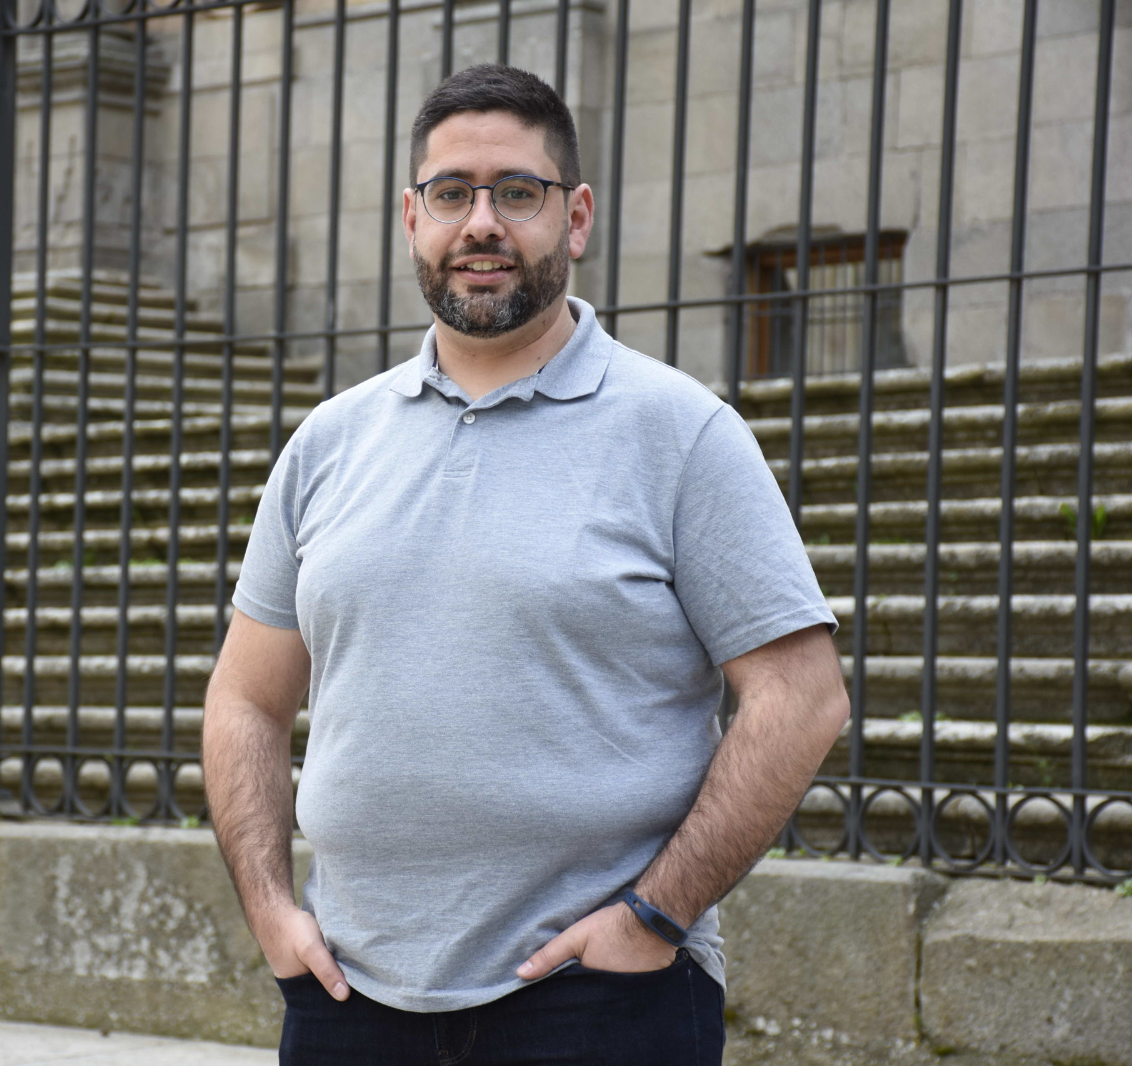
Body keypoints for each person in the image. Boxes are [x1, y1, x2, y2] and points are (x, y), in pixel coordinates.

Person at [201, 63, 850, 1065]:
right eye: (451, 193)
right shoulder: (329, 443)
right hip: (346, 996)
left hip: (595, 1000)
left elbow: (801, 696)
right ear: (410, 217)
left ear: (576, 217)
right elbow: (244, 700)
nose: (481, 224)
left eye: (517, 192)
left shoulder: (678, 433)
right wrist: (269, 905)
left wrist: (653, 915)